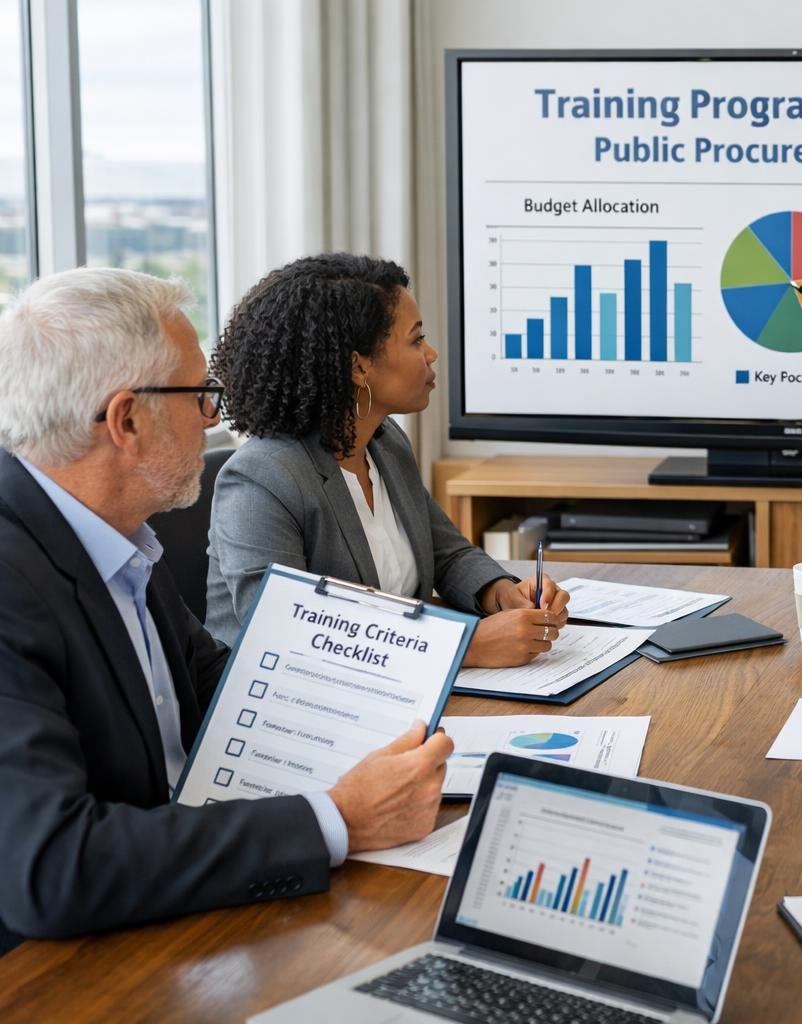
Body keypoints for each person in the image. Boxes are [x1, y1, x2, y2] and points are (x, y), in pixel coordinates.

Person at [0, 268, 455, 948]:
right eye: (200, 396)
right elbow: (53, 868)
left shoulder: (118, 537)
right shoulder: (12, 583)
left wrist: (385, 720)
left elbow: (221, 682)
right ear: (127, 420)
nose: (216, 419)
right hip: (66, 967)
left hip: (183, 898)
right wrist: (337, 819)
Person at [206, 254, 567, 666]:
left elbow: (446, 554)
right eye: (416, 340)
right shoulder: (261, 479)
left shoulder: (385, 441)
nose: (431, 353)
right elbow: (289, 633)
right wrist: (465, 647)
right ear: (359, 367)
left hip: (396, 688)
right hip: (292, 697)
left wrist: (501, 593)